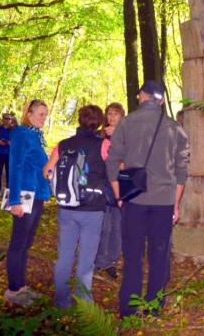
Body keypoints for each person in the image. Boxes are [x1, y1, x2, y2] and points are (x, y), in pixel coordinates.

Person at [106, 80, 190, 318]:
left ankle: (129, 309)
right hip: (164, 201)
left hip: (134, 199)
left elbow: (112, 162)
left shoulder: (126, 123)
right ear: (161, 101)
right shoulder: (175, 128)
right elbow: (182, 171)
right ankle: (154, 307)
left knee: (132, 255)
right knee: (159, 254)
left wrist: (119, 196)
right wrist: (176, 204)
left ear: (142, 96)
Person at [42, 105, 110, 309]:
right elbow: (119, 168)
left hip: (66, 208)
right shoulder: (104, 145)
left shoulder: (63, 144)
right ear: (99, 123)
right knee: (86, 259)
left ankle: (61, 301)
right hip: (93, 209)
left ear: (80, 120)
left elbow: (47, 171)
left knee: (65, 256)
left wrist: (60, 185)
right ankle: (84, 303)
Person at [3, 100, 51, 306]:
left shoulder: (35, 136)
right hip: (24, 197)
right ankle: (13, 290)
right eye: (40, 114)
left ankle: (21, 286)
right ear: (29, 115)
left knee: (25, 243)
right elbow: (15, 167)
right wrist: (15, 201)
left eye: (45, 114)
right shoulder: (22, 134)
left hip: (36, 196)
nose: (44, 118)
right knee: (18, 243)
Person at [94, 102, 126, 280]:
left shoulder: (127, 135)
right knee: (104, 227)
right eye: (110, 113)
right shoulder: (100, 137)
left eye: (116, 113)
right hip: (104, 187)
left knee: (118, 228)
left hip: (123, 187)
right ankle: (100, 260)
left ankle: (112, 261)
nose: (112, 117)